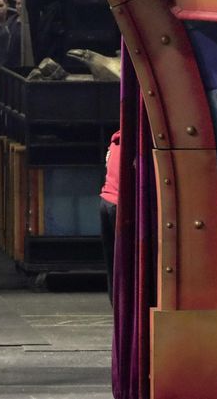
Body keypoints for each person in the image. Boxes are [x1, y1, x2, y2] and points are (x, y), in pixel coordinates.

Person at [100, 130, 121, 304]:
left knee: (112, 265)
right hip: (118, 204)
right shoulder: (135, 145)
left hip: (106, 200)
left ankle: (116, 308)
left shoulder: (115, 142)